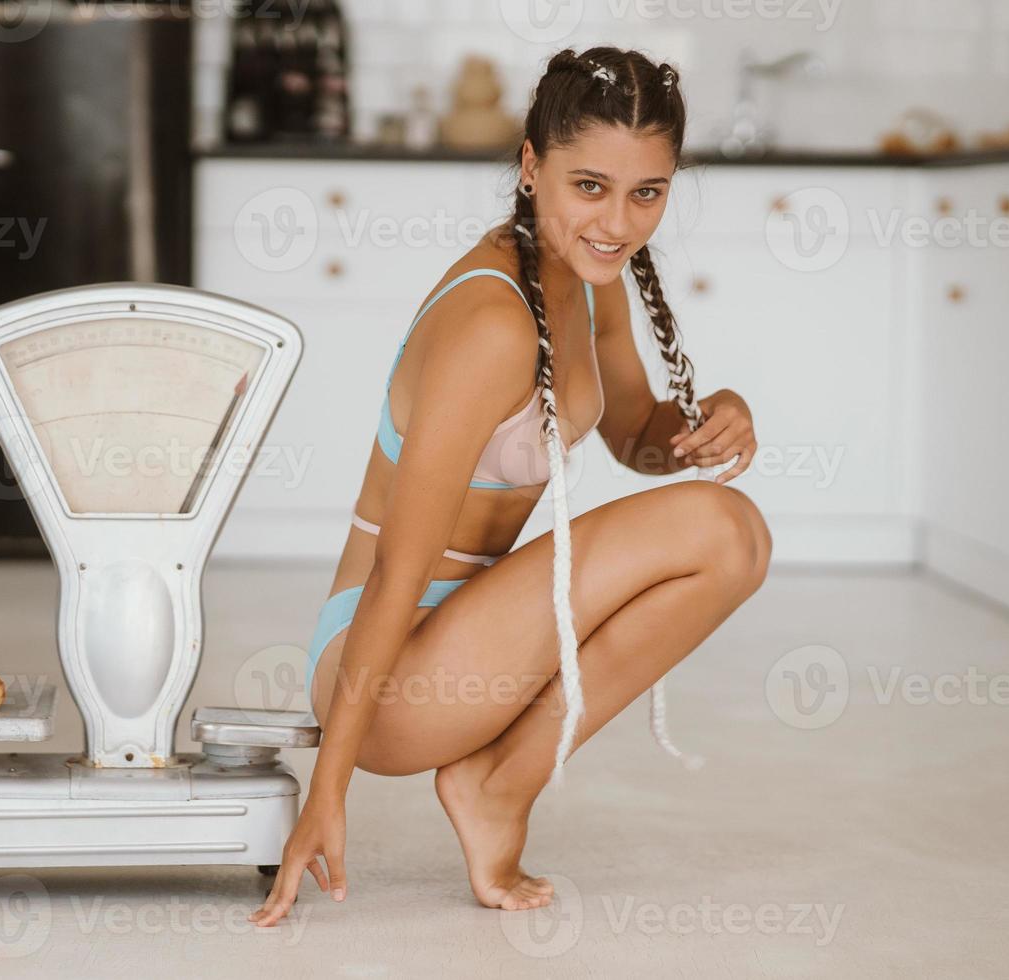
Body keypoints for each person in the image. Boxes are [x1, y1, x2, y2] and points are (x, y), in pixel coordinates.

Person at [250, 45, 771, 925]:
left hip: (472, 638)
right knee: (723, 529)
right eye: (589, 186)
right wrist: (327, 788)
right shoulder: (492, 322)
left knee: (732, 538)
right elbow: (395, 578)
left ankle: (496, 783)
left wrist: (720, 412)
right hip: (390, 677)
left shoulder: (585, 281)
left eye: (647, 192)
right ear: (531, 167)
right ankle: (491, 787)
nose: (618, 220)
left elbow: (639, 440)